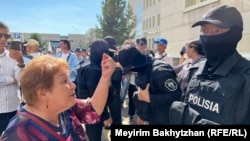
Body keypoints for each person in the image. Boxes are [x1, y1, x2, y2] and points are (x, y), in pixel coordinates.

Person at [0, 54, 116, 140]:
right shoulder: (18, 133)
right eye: (64, 81)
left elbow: (92, 109)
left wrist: (105, 77)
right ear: (42, 93)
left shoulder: (65, 108)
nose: (73, 85)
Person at [169, 5, 250, 125]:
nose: (208, 38)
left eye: (217, 31)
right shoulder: (195, 71)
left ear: (235, 34)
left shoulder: (246, 77)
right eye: (204, 31)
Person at [117, 45, 182, 125]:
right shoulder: (142, 69)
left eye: (130, 68)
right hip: (149, 118)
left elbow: (177, 96)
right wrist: (140, 115)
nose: (130, 71)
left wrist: (150, 98)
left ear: (135, 62)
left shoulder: (160, 71)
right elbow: (141, 94)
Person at [77, 39, 112, 141]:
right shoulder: (95, 70)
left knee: (90, 134)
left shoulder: (84, 65)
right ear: (104, 53)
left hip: (84, 108)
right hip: (94, 113)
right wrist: (105, 116)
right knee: (94, 136)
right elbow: (97, 96)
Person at [0, 21, 24, 135]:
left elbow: (20, 78)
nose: (4, 39)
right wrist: (12, 80)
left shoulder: (12, 56)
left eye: (6, 36)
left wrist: (20, 63)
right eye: (0, 35)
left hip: (13, 108)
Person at [104, 36, 123, 128]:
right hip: (114, 88)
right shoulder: (116, 56)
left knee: (109, 109)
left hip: (109, 87)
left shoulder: (103, 56)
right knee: (115, 111)